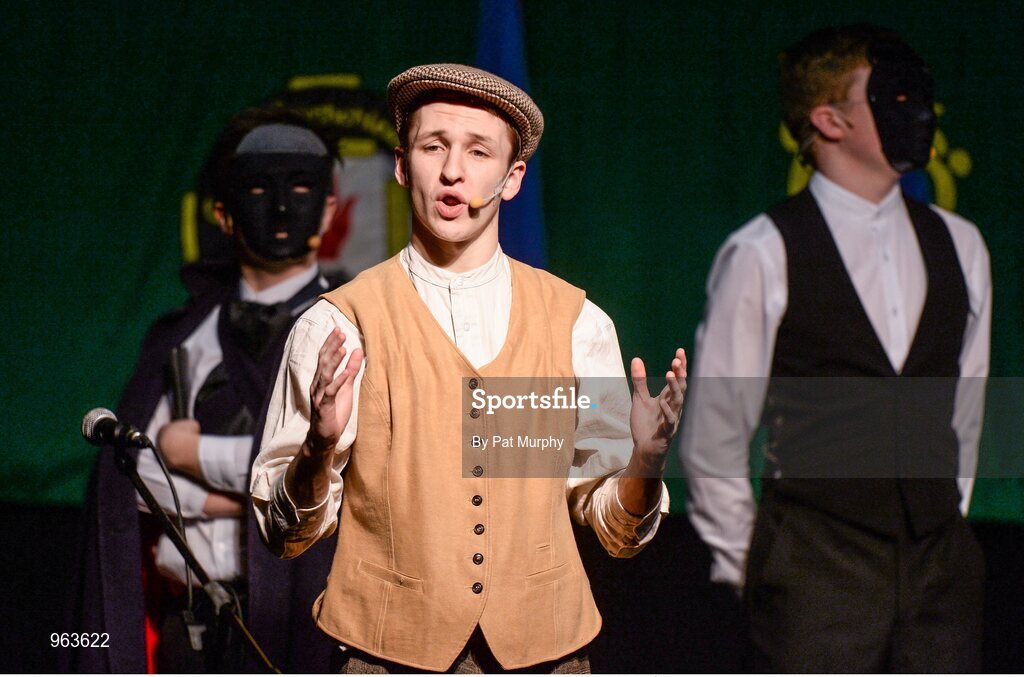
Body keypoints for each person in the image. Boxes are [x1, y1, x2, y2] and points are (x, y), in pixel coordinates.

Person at [251, 63, 687, 673]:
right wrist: (317, 448)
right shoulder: (339, 326)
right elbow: (285, 534)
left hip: (547, 655)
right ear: (402, 166)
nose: (453, 170)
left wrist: (645, 463)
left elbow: (617, 532)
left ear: (512, 179)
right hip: (388, 656)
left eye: (479, 152)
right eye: (434, 146)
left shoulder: (575, 324)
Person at [680, 24, 991, 672]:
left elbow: (965, 405)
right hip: (815, 580)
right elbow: (714, 437)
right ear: (828, 120)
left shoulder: (961, 245)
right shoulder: (764, 250)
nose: (918, 112)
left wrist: (943, 518)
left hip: (940, 579)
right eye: (892, 98)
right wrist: (764, 572)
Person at [67, 109, 346, 673]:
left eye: (300, 188)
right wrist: (221, 498)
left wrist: (191, 454)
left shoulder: (355, 327)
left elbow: (347, 468)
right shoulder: (182, 335)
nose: (282, 209)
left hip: (310, 628)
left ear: (329, 207)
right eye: (259, 190)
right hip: (191, 632)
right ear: (223, 213)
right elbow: (132, 473)